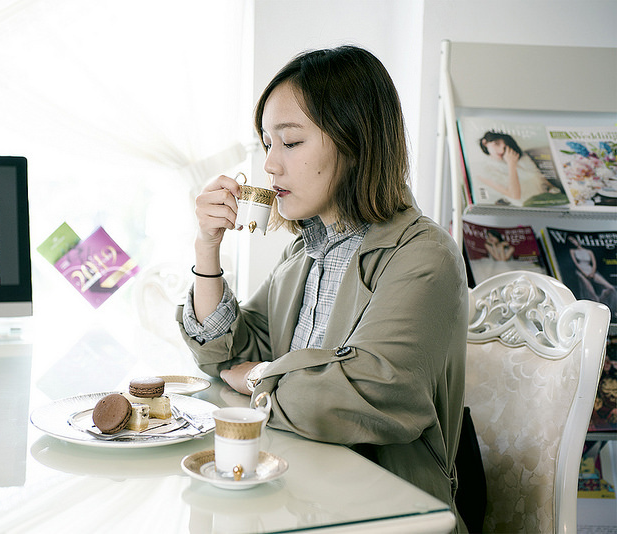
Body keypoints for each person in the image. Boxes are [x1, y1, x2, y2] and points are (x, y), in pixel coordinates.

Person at [176, 46, 469, 531]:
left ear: (355, 141)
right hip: (295, 490)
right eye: (267, 144)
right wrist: (207, 249)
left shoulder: (424, 255)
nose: (271, 165)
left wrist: (259, 376)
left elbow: (358, 393)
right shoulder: (304, 253)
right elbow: (226, 357)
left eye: (290, 142)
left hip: (386, 512)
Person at [476, 131, 559, 206]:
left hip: (546, 199)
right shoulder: (484, 171)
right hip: (526, 206)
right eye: (496, 144)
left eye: (505, 147)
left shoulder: (519, 157)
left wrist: (553, 189)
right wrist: (511, 164)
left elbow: (539, 177)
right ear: (485, 143)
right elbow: (515, 196)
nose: (501, 150)